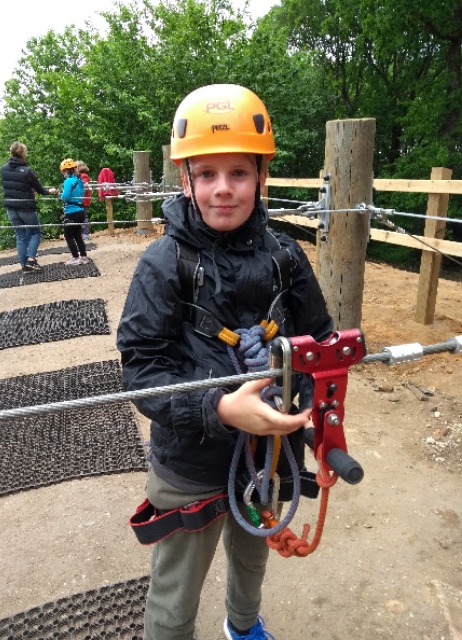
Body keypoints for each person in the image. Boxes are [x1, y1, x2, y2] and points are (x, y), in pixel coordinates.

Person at [117, 84, 333, 640]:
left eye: (238, 172)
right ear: (184, 178)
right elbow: (142, 369)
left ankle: (243, 626)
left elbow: (320, 343)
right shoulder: (163, 264)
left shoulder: (286, 257)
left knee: (253, 554)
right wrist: (218, 408)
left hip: (271, 453)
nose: (222, 189)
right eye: (207, 174)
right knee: (176, 586)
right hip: (189, 461)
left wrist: (314, 409)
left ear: (262, 175)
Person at [0, 141, 58, 272]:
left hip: (10, 207)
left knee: (20, 235)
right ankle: (31, 259)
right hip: (26, 207)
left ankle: (24, 265)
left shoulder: (3, 169)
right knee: (36, 232)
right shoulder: (27, 171)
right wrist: (50, 191)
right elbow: (40, 189)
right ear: (23, 153)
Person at [59, 158, 90, 265]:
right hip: (80, 211)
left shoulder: (68, 181)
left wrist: (60, 196)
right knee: (77, 236)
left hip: (71, 211)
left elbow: (65, 196)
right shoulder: (79, 181)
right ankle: (83, 257)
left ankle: (75, 257)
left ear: (65, 171)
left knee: (68, 236)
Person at [75, 160, 92, 240]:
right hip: (81, 199)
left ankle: (85, 234)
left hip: (82, 200)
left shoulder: (83, 176)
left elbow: (83, 187)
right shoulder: (81, 176)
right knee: (80, 217)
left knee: (83, 217)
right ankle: (82, 234)